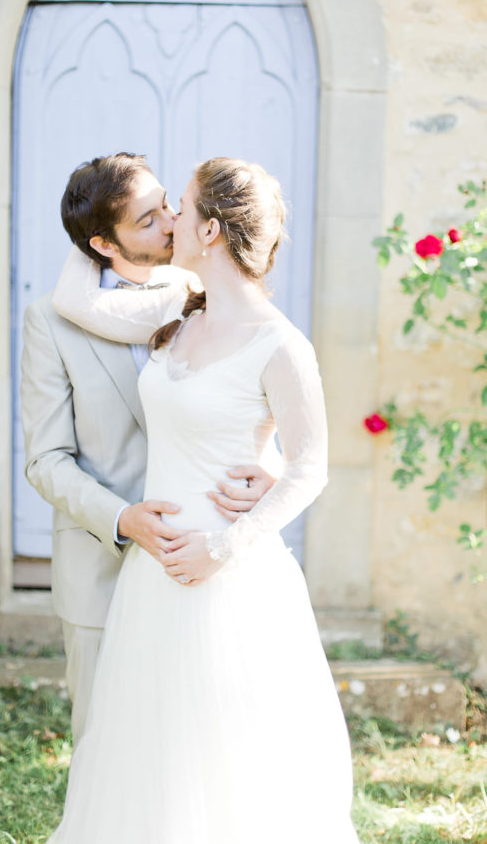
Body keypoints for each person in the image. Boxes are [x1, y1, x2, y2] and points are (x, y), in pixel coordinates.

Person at [48, 157, 360, 843]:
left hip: (228, 574)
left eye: (180, 208)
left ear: (212, 229)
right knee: (148, 749)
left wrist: (224, 545)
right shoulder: (178, 312)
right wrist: (90, 240)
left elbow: (312, 466)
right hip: (151, 573)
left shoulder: (281, 344)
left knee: (227, 751)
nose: (169, 222)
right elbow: (76, 302)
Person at [20, 152, 274, 748]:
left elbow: (255, 406)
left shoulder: (203, 296)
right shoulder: (51, 323)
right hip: (101, 566)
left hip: (200, 558)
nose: (171, 222)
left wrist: (269, 470)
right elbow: (45, 458)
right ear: (104, 245)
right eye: (148, 219)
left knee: (198, 746)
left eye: (167, 204)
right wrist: (121, 518)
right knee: (105, 749)